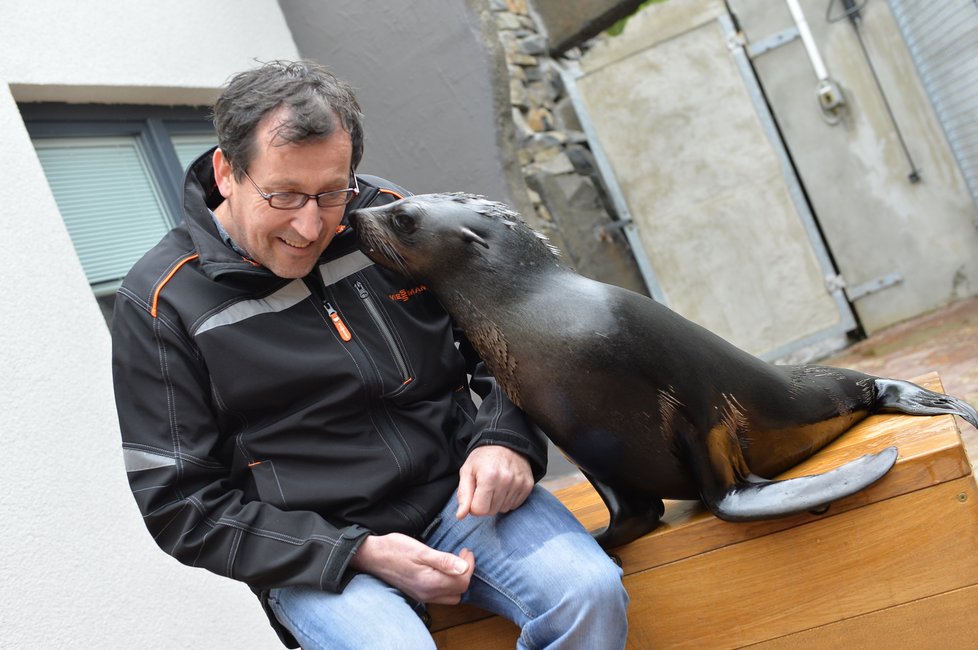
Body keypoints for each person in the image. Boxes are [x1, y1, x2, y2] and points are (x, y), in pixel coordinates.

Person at [112, 59, 628, 649]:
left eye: (332, 192)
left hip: (458, 496)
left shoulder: (394, 220)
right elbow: (178, 504)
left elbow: (509, 335)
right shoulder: (158, 302)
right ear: (228, 173)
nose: (311, 227)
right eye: (284, 196)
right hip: (319, 554)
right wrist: (353, 551)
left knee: (588, 594)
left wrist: (503, 437)